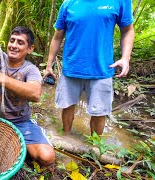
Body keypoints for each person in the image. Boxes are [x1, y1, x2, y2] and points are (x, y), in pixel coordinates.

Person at [44, 0, 135, 135]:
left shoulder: (120, 1)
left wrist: (125, 58)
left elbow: (127, 30)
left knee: (100, 112)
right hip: (72, 68)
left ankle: (95, 148)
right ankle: (66, 137)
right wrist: (49, 64)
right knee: (67, 106)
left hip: (102, 69)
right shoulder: (68, 3)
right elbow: (57, 36)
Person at [0, 26, 55, 166]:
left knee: (46, 157)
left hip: (19, 122)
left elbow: (35, 94)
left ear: (30, 49)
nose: (14, 45)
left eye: (20, 42)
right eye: (12, 41)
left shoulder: (30, 69)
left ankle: (25, 136)